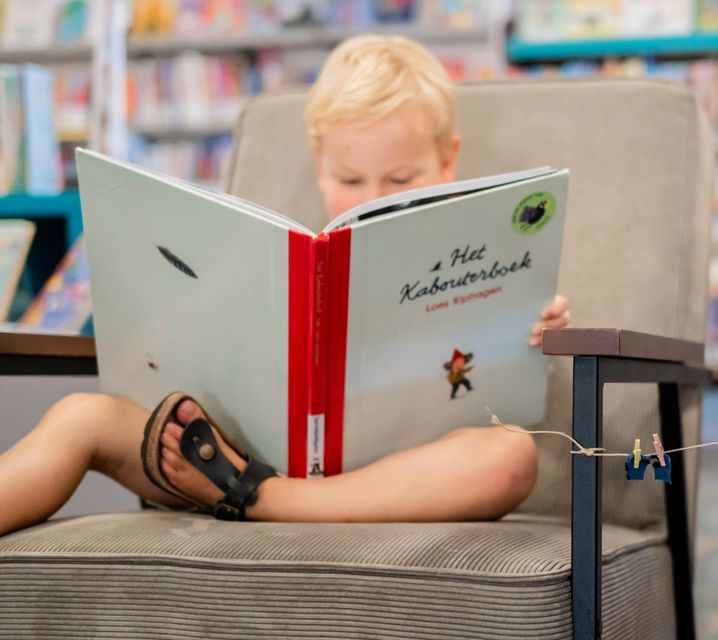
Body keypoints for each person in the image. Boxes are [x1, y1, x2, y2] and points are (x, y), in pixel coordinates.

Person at [0, 35, 570, 536]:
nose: (372, 194)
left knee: (510, 455)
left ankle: (271, 500)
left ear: (449, 161)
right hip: (227, 457)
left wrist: (536, 326)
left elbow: (500, 367)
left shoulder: (479, 251)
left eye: (400, 179)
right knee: (82, 416)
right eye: (350, 179)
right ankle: (249, 486)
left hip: (387, 477)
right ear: (320, 166)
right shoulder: (276, 255)